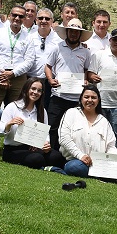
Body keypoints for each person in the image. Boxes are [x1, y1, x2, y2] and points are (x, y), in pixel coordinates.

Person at [45, 18, 96, 148]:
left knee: (73, 129)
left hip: (76, 97)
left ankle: (67, 156)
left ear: (80, 34)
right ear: (67, 32)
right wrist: (50, 79)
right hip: (58, 95)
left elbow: (86, 70)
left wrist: (85, 80)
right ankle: (51, 153)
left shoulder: (86, 52)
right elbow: (48, 66)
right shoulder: (57, 48)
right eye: (71, 31)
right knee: (53, 126)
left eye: (76, 32)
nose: (73, 34)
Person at [58, 85, 117, 181]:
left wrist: (116, 160)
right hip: (77, 161)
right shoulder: (71, 113)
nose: (90, 100)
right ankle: (105, 176)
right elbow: (64, 139)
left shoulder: (104, 121)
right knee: (74, 167)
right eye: (86, 97)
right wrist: (81, 156)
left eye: (93, 97)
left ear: (98, 101)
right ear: (81, 99)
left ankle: (100, 173)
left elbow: (110, 146)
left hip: (100, 163)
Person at [0, 78, 65, 169]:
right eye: (33, 89)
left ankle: (45, 165)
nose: (35, 92)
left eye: (39, 90)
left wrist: (46, 144)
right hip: (13, 149)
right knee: (36, 159)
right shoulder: (12, 107)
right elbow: (0, 132)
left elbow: (45, 133)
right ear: (26, 89)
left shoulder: (42, 111)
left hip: (33, 149)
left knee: (57, 157)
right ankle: (44, 166)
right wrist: (9, 124)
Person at [0, 4, 36, 107]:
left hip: (19, 77)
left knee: (17, 109)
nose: (17, 18)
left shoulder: (28, 37)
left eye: (21, 16)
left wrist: (13, 73)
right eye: (15, 15)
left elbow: (29, 60)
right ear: (9, 16)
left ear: (24, 19)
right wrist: (2, 75)